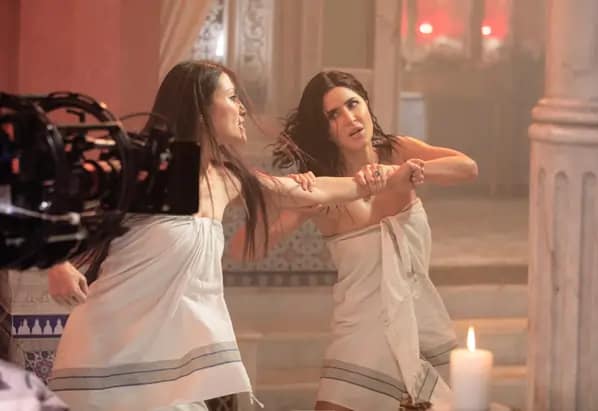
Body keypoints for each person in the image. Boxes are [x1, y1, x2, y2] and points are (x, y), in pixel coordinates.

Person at [44, 61, 418, 411]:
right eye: (232, 97)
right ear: (202, 110)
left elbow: (308, 192)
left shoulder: (226, 179)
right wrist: (58, 264)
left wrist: (380, 179)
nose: (242, 109)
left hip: (173, 360)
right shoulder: (145, 170)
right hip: (108, 353)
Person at [233, 70, 478, 411]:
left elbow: (467, 167)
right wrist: (297, 206)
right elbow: (241, 249)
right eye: (333, 115)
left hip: (421, 328)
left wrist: (401, 173)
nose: (349, 118)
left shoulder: (398, 152)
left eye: (353, 104)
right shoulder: (323, 188)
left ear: (366, 105)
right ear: (325, 130)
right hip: (360, 338)